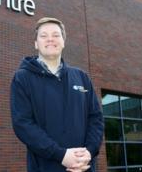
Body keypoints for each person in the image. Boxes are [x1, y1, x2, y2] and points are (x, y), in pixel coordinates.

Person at [10, 17, 104, 172]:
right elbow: (23, 124)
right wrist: (61, 155)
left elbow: (95, 118)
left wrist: (89, 151)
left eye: (55, 35)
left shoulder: (82, 77)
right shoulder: (22, 78)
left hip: (84, 167)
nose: (50, 39)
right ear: (36, 43)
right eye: (44, 36)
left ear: (63, 41)